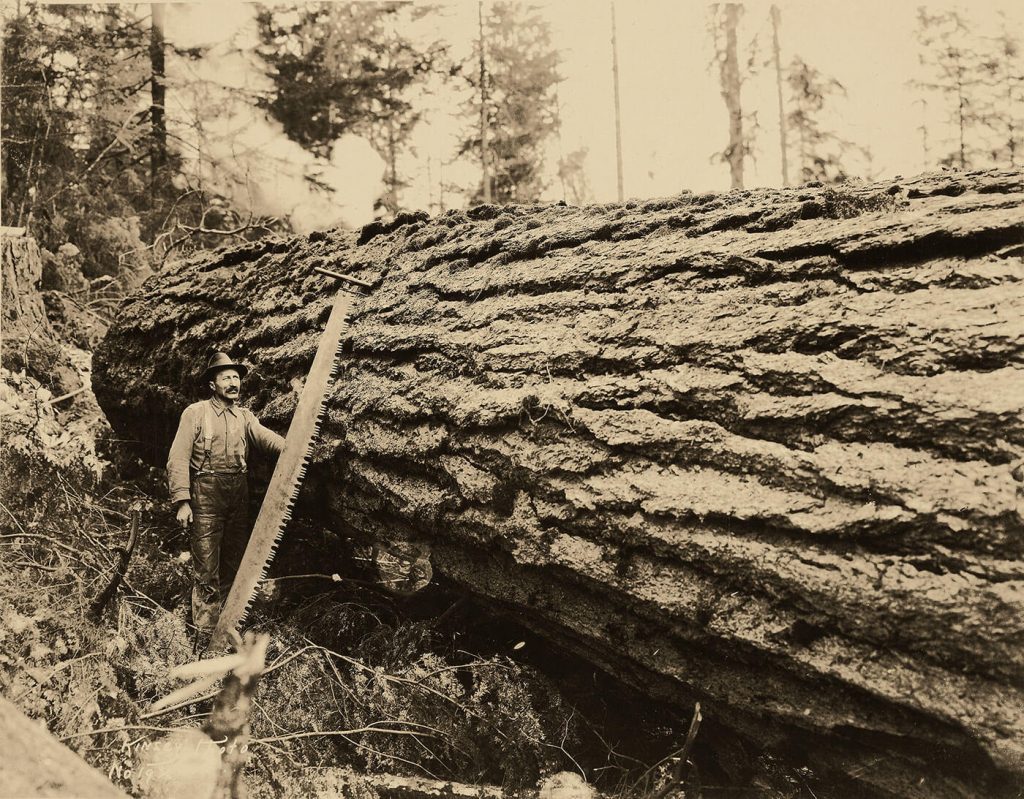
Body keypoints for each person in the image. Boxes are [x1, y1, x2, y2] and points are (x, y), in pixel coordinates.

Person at [167, 352, 285, 635]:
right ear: (212, 384)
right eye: (226, 378)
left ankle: (230, 629)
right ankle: (206, 636)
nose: (233, 383)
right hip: (205, 495)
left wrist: (292, 447)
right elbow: (178, 457)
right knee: (207, 567)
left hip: (237, 494)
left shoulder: (244, 416)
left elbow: (265, 437)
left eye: (236, 377)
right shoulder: (195, 413)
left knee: (235, 562)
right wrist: (183, 502)